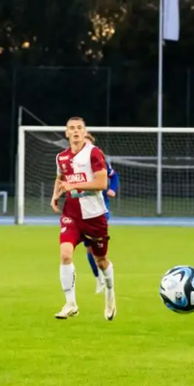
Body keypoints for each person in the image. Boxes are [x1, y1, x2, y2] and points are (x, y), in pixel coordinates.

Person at [51, 116, 115, 320]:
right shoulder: (61, 157)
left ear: (85, 131)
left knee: (101, 260)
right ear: (66, 133)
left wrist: (75, 186)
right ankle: (70, 303)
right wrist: (55, 195)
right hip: (71, 213)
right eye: (72, 128)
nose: (76, 131)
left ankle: (110, 294)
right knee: (65, 254)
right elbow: (60, 177)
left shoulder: (94, 153)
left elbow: (102, 183)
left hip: (94, 216)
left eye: (79, 128)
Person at [84, 132, 119, 294]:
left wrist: (112, 189)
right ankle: (99, 277)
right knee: (89, 250)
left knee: (96, 247)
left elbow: (114, 175)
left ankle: (105, 276)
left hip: (100, 210)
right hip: (82, 211)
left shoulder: (100, 161)